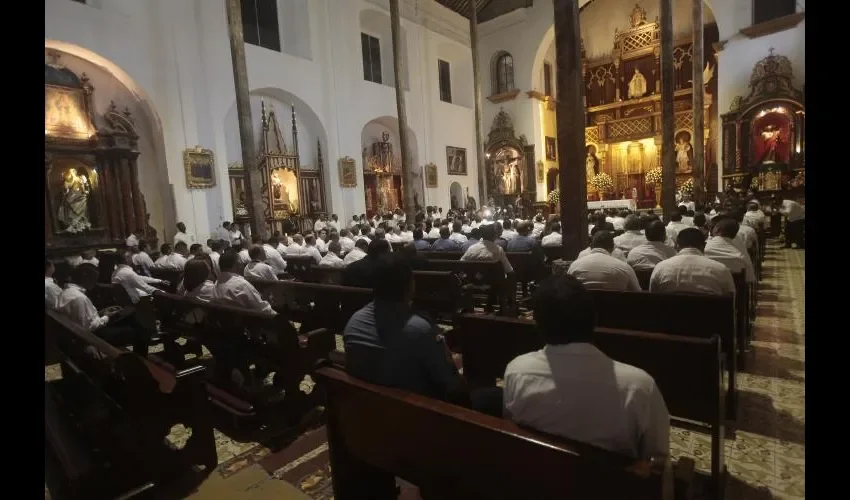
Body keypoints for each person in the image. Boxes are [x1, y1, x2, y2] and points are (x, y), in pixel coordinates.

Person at [503, 274, 670, 459]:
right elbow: (657, 461)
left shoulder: (515, 371)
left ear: (537, 325)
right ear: (594, 321)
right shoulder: (640, 387)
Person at [343, 254, 469, 404]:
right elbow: (451, 384)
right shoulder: (420, 329)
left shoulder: (354, 320)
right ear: (409, 286)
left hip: (367, 408)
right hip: (416, 415)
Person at [56, 263, 151, 356]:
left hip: (77, 332)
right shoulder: (79, 297)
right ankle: (140, 362)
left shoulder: (66, 292)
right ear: (86, 278)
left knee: (130, 318)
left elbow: (83, 318)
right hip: (92, 336)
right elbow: (88, 327)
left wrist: (102, 313)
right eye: (94, 279)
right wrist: (106, 317)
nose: (95, 282)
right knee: (141, 331)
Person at [650, 228, 735, 295]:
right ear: (704, 246)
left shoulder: (660, 267)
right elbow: (730, 300)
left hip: (669, 316)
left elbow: (653, 296)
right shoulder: (721, 269)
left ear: (677, 245)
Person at [568, 231, 641, 291]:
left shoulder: (574, 265)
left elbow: (568, 290)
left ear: (591, 246)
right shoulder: (624, 268)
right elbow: (637, 292)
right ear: (612, 248)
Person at [214, 251, 276, 316]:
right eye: (241, 261)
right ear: (237, 264)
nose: (242, 263)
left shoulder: (216, 284)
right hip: (253, 321)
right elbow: (264, 309)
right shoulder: (242, 284)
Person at [704, 217, 755, 283]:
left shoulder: (704, 248)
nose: (710, 230)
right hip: (735, 290)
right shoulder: (740, 257)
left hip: (708, 286)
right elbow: (748, 276)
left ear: (717, 230)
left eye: (712, 227)